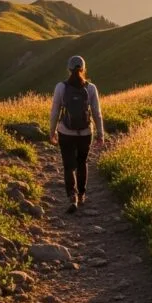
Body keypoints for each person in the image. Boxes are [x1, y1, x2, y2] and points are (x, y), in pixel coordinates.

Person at [48, 55, 105, 213]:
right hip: (86, 132)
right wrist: (100, 133)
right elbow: (96, 113)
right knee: (82, 163)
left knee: (68, 166)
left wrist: (52, 132)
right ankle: (81, 196)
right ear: (84, 69)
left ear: (69, 69)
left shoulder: (61, 87)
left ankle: (71, 197)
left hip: (65, 131)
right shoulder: (91, 87)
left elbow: (55, 111)